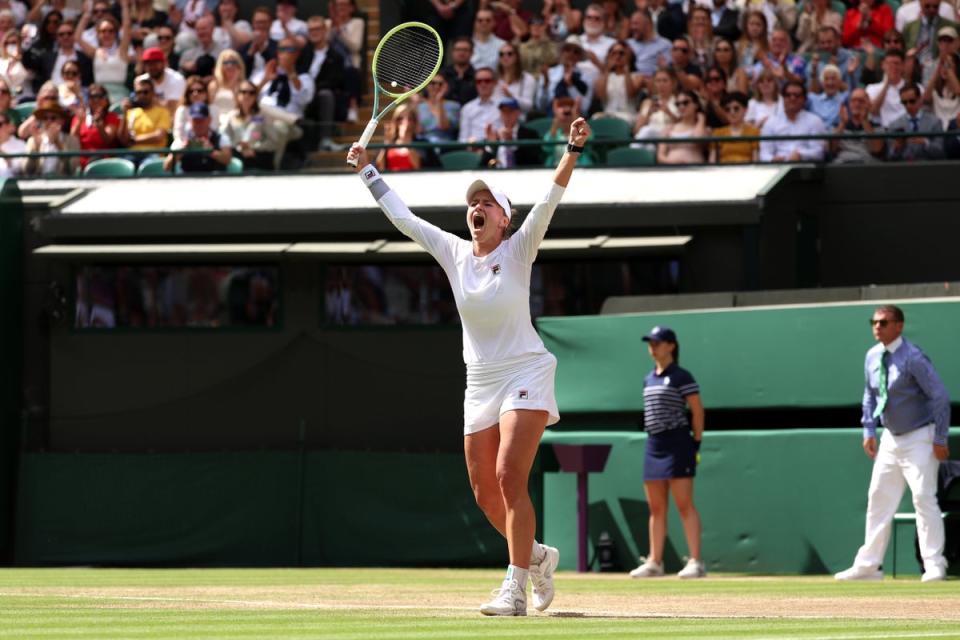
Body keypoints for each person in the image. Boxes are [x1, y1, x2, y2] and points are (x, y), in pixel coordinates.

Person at [346, 115, 593, 617]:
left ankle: (516, 587)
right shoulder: (454, 252)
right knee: (485, 496)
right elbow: (404, 219)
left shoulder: (520, 247)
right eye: (472, 204)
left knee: (508, 474)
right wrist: (369, 171)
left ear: (504, 218)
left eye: (487, 203)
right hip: (479, 379)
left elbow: (549, 200)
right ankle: (539, 557)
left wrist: (571, 149)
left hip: (525, 369)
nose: (476, 208)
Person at [835, 305, 950, 583]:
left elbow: (939, 396)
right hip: (890, 437)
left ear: (899, 326)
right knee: (878, 498)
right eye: (873, 322)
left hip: (920, 436)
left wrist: (940, 437)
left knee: (923, 498)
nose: (877, 327)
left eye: (884, 322)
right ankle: (869, 566)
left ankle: (934, 565)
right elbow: (869, 395)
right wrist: (868, 430)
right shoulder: (872, 356)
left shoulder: (913, 357)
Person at [629, 326, 706, 580]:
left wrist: (695, 442)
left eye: (658, 342)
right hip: (654, 445)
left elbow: (697, 411)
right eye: (650, 342)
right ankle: (654, 562)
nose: (653, 347)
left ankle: (696, 561)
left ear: (671, 345)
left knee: (684, 505)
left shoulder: (682, 376)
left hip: (678, 443)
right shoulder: (647, 378)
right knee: (656, 508)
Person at [222, 78, 280, 171]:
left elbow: (273, 141)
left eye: (251, 92)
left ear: (256, 96)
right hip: (237, 159)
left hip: (258, 159)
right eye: (243, 92)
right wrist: (239, 147)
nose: (247, 95)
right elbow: (225, 139)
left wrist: (254, 148)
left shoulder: (263, 116)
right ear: (238, 95)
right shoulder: (232, 116)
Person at [759, 80, 826, 161]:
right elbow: (764, 153)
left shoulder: (815, 121)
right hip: (778, 168)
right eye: (788, 95)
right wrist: (772, 159)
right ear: (783, 98)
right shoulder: (771, 122)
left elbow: (819, 152)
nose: (792, 98)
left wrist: (801, 155)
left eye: (797, 95)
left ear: (804, 99)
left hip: (805, 168)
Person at [164, 101, 231, 172]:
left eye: (201, 120)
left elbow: (227, 160)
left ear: (209, 120)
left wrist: (211, 151)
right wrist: (182, 151)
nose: (198, 124)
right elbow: (166, 166)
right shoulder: (182, 140)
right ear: (190, 121)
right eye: (195, 121)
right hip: (187, 180)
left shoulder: (221, 138)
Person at [886, 82, 945, 160]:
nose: (908, 105)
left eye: (912, 101)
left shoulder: (935, 122)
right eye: (904, 102)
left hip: (928, 168)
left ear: (920, 99)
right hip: (904, 168)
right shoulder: (894, 125)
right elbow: (890, 156)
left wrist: (925, 142)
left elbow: (941, 152)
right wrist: (896, 148)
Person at [70, 81, 122, 168]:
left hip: (104, 161)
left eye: (100, 96)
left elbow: (108, 140)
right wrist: (79, 121)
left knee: (95, 160)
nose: (96, 100)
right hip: (82, 160)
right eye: (92, 97)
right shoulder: (80, 117)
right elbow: (73, 140)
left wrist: (99, 125)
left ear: (106, 100)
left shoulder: (112, 117)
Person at [657, 89, 708, 164]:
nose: (681, 106)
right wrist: (673, 162)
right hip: (671, 171)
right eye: (678, 104)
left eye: (685, 103)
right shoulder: (669, 129)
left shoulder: (704, 129)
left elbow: (698, 139)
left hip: (695, 171)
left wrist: (701, 120)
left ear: (696, 105)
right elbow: (660, 156)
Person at [710, 91, 759, 163]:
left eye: (736, 108)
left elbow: (756, 160)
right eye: (727, 109)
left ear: (745, 110)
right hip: (724, 172)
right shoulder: (718, 133)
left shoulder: (754, 132)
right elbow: (712, 161)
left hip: (747, 171)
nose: (732, 112)